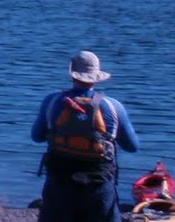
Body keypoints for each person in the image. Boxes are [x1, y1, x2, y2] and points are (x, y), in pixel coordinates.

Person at [30, 51, 140, 222]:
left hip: (60, 182)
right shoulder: (113, 106)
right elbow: (132, 146)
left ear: (72, 74)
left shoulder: (52, 102)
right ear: (96, 77)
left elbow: (37, 137)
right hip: (98, 185)